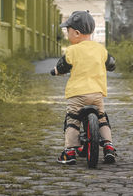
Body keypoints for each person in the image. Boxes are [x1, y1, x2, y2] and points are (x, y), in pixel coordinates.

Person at [51, 10, 116, 165]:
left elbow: (62, 66)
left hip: (77, 95)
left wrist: (55, 71)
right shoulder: (100, 49)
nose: (67, 34)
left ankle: (70, 152)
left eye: (68, 31)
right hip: (96, 94)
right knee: (102, 119)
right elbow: (111, 64)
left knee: (72, 120)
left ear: (77, 33)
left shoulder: (72, 51)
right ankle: (109, 147)